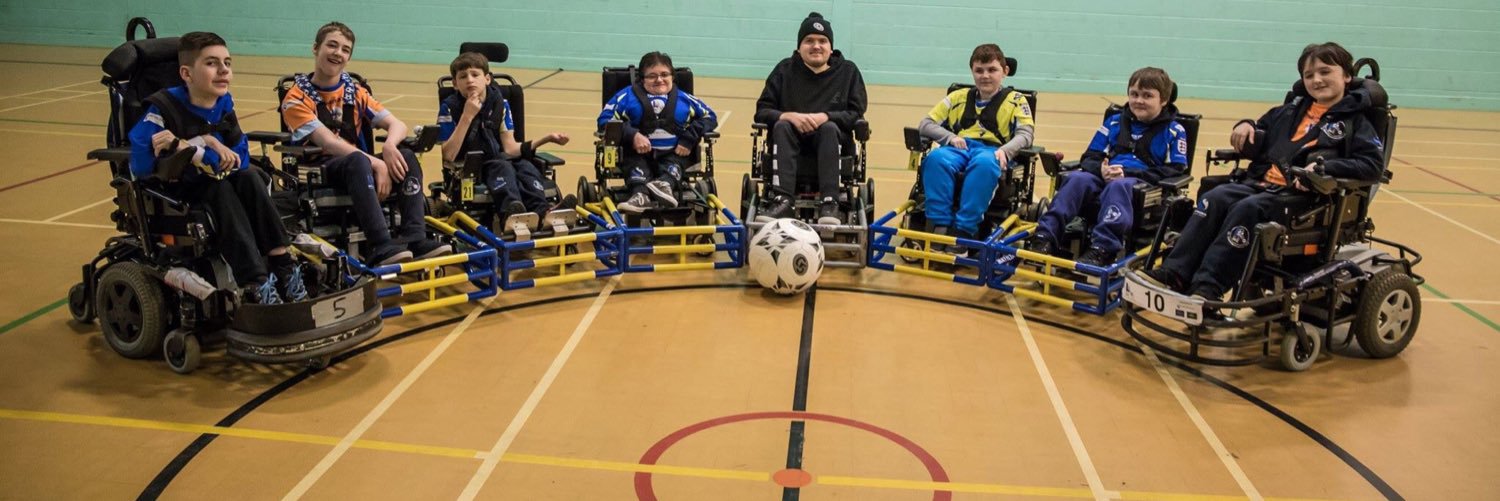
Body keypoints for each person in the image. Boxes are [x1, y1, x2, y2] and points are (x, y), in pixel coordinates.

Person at [1146, 42, 1385, 299]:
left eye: (1325, 72)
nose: (1317, 80)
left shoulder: (1355, 123)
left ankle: (1208, 287)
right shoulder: (1290, 111)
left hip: (1305, 200)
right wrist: (1246, 125)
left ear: (1347, 76)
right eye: (1309, 75)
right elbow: (1260, 127)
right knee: (1214, 198)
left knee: (1246, 210)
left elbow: (1372, 165)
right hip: (1261, 185)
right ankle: (1175, 272)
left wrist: (1327, 168)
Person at [128, 31, 303, 304]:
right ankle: (255, 283)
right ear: (186, 74)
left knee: (250, 178)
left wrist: (200, 145)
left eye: (228, 63)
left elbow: (240, 157)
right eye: (212, 63)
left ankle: (284, 266)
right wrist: (201, 149)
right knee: (220, 188)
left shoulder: (223, 104)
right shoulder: (161, 109)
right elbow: (141, 167)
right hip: (177, 192)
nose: (223, 70)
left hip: (217, 180)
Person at [280, 21, 450, 266]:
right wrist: (377, 164)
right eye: (332, 45)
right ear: (315, 48)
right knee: (358, 159)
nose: (338, 53)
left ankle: (415, 239)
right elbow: (328, 142)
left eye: (345, 49)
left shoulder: (355, 91)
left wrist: (390, 147)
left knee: (406, 156)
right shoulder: (296, 97)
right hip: (324, 170)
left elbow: (398, 125)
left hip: (359, 165)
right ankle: (380, 245)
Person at [1030, 67, 1188, 265]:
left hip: (1143, 186)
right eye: (1134, 94)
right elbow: (1090, 156)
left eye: (1147, 96)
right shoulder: (1114, 122)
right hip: (1107, 176)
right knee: (1076, 179)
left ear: (1163, 100)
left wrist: (1125, 173)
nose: (1139, 100)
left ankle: (1103, 248)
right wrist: (1101, 170)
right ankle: (1045, 237)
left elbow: (1175, 169)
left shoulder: (1174, 131)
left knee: (1118, 186)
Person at [917, 43, 1034, 250]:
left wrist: (1005, 150)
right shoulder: (957, 97)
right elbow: (925, 125)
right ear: (972, 71)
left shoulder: (1017, 101)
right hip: (959, 148)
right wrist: (950, 137)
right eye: (979, 71)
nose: (985, 76)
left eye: (992, 70)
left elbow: (1025, 135)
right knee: (935, 158)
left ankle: (964, 230)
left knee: (984, 164)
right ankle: (939, 225)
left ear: (1005, 71)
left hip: (993, 150)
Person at [753, 11, 867, 224]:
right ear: (799, 47)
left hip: (832, 142)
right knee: (782, 126)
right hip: (790, 141)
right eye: (809, 41)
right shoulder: (784, 70)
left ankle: (830, 202)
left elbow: (856, 113)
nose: (816, 46)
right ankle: (783, 200)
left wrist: (826, 116)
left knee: (829, 128)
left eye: (823, 41)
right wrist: (789, 116)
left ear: (830, 47)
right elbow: (762, 110)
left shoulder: (848, 72)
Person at [438, 51, 573, 221]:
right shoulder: (449, 107)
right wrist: (467, 116)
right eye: (463, 76)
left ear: (487, 79)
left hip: (500, 158)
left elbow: (510, 148)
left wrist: (547, 138)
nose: (470, 80)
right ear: (455, 84)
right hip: (470, 167)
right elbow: (448, 155)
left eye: (475, 74)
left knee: (525, 167)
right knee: (502, 168)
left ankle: (545, 213)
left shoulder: (500, 104)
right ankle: (513, 215)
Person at [597, 51, 718, 214]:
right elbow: (604, 121)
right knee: (635, 164)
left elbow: (710, 117)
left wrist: (689, 138)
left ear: (672, 77)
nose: (659, 80)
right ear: (642, 78)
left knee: (675, 164)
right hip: (636, 154)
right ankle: (640, 195)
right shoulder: (625, 97)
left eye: (664, 74)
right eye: (652, 76)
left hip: (674, 153)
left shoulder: (685, 99)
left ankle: (664, 185)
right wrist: (632, 135)